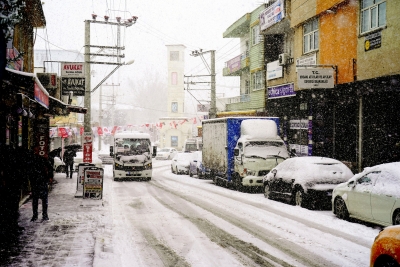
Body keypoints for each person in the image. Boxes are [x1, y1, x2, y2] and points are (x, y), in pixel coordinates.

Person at [29, 153, 53, 222]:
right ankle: (38, 215)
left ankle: (42, 215)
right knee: (37, 199)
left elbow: (50, 167)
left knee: (41, 199)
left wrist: (49, 177)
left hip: (41, 181)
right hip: (37, 181)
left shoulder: (40, 159)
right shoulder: (33, 160)